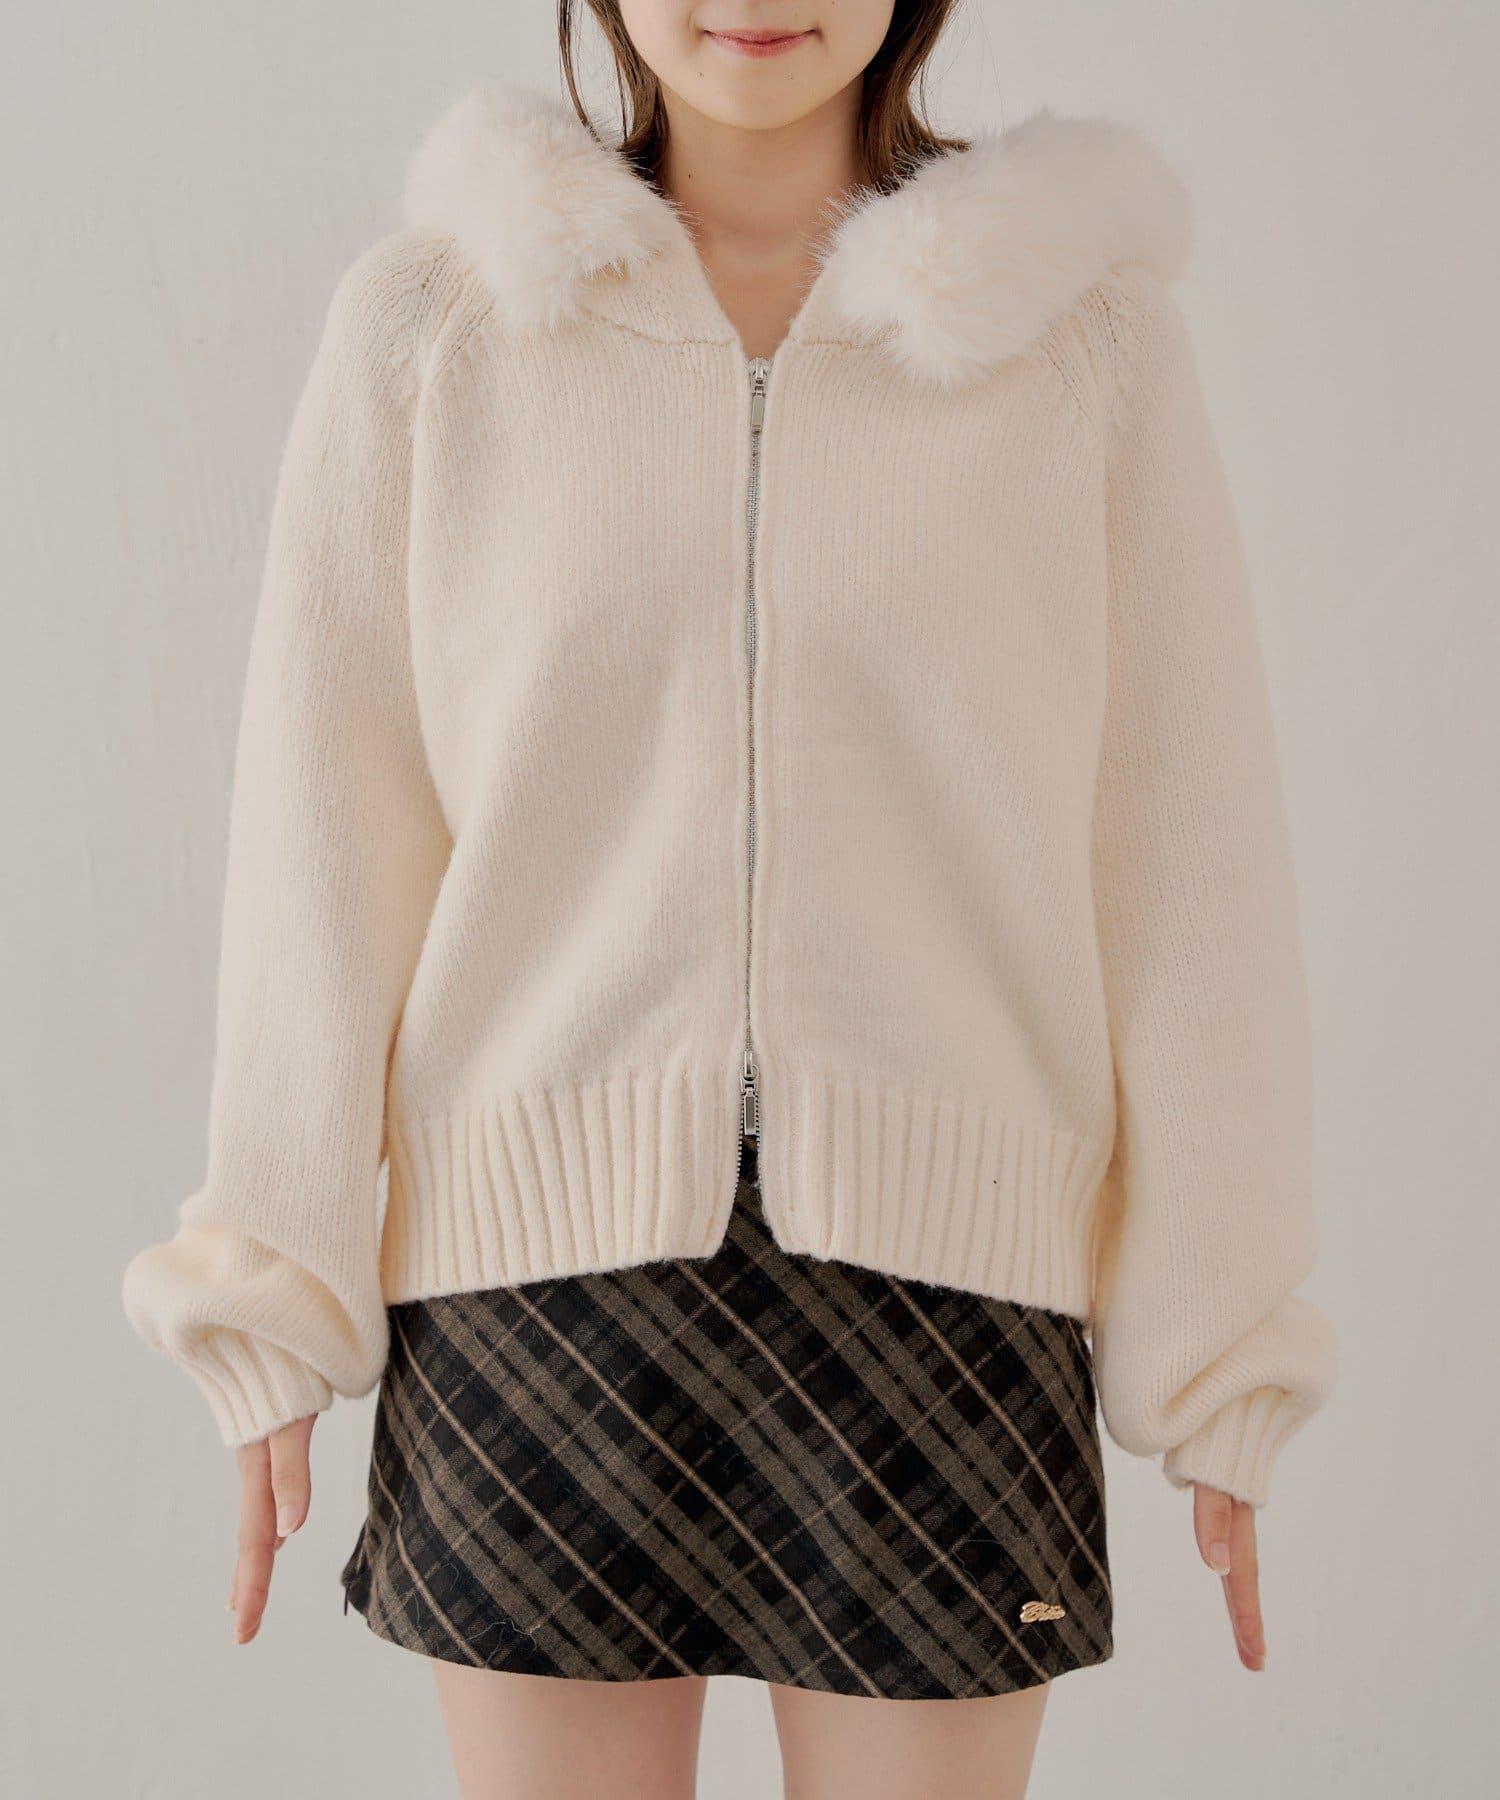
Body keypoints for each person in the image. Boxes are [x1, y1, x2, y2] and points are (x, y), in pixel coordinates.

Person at [121, 4, 1335, 1795]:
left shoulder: (1078, 338)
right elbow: (325, 828)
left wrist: (1219, 1333)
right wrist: (269, 1281)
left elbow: (1182, 844)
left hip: (950, 1297)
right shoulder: (439, 324)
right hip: (534, 1302)